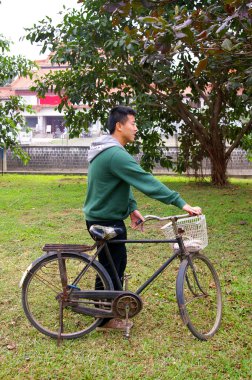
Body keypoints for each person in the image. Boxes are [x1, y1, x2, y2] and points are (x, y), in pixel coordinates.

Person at [84, 105, 201, 330]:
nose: (136, 128)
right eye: (133, 123)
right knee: (110, 266)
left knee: (115, 263)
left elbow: (119, 183)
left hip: (105, 216)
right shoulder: (114, 154)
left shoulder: (109, 150)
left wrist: (131, 208)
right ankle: (104, 318)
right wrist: (181, 202)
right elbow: (145, 180)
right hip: (105, 219)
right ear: (119, 126)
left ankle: (105, 309)